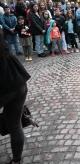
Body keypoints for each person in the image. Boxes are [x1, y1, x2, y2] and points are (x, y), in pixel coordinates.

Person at [0, 29, 31, 164]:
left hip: (5, 84)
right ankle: (16, 160)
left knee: (15, 126)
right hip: (16, 79)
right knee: (15, 126)